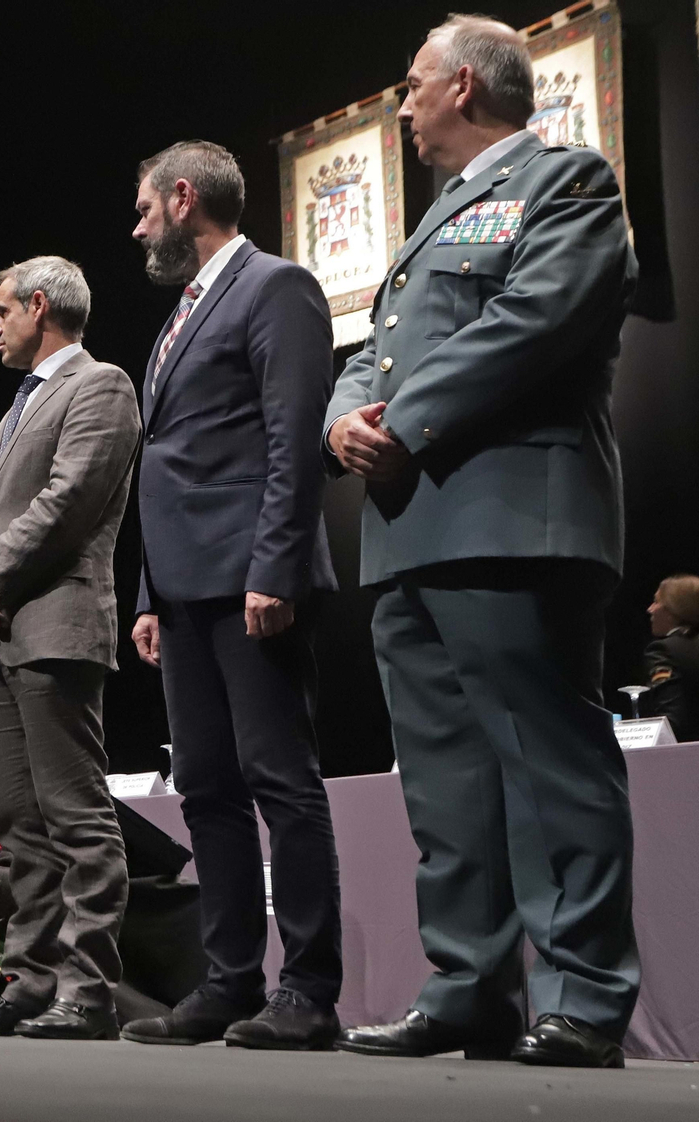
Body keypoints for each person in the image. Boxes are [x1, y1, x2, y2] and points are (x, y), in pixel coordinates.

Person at [327, 17, 639, 1068]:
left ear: (462, 85)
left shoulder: (569, 182)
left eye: (411, 86)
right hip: (411, 529)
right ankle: (468, 987)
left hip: (512, 518)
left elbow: (533, 319)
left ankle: (583, 1001)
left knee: (548, 767)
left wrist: (400, 419)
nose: (401, 106)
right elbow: (371, 350)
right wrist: (344, 416)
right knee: (445, 781)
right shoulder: (425, 231)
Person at [120, 141, 343, 1050]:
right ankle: (229, 980)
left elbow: (293, 439)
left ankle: (311, 990)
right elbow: (163, 468)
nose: (137, 227)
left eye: (143, 209)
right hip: (182, 591)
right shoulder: (181, 314)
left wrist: (274, 568)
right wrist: (146, 593)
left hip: (250, 578)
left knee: (281, 782)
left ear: (184, 198)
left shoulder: (275, 286)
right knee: (206, 788)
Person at [0, 257, 139, 1040]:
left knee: (74, 815)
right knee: (19, 822)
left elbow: (66, 505)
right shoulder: (19, 405)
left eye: (0, 311)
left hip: (53, 629)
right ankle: (29, 981)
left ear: (39, 306)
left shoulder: (101, 385)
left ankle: (87, 990)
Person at [642, 574, 698, 741]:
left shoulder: (664, 650)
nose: (650, 609)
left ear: (674, 609)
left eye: (657, 602)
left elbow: (671, 719)